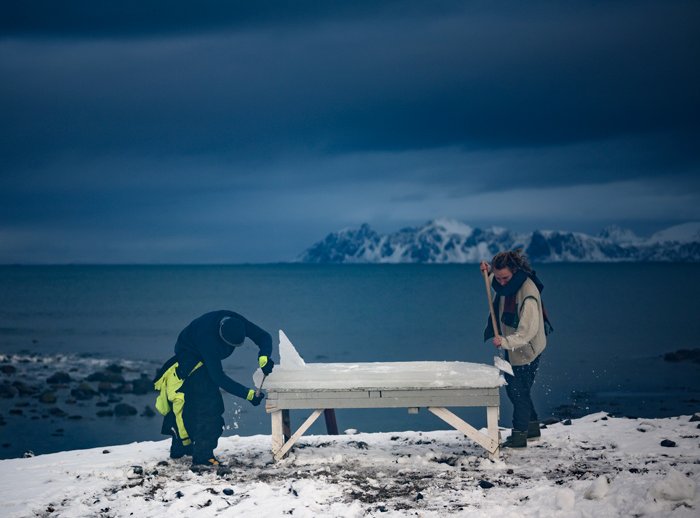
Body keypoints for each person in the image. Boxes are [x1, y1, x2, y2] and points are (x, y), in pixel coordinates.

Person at [154, 310, 275, 468]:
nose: (229, 348)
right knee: (210, 408)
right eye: (228, 345)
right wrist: (248, 394)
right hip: (191, 360)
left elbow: (264, 337)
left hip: (198, 353)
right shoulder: (207, 340)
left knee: (191, 405)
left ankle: (181, 448)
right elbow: (218, 377)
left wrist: (264, 356)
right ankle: (203, 457)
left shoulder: (237, 322)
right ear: (221, 336)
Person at [480, 250, 552, 448]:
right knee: (520, 390)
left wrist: (504, 342)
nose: (501, 282)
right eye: (498, 277)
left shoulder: (528, 295)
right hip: (512, 346)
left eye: (505, 278)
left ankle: (520, 435)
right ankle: (532, 428)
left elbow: (527, 332)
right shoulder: (508, 283)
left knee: (517, 392)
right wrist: (488, 272)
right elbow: (496, 280)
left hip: (527, 349)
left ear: (515, 271)